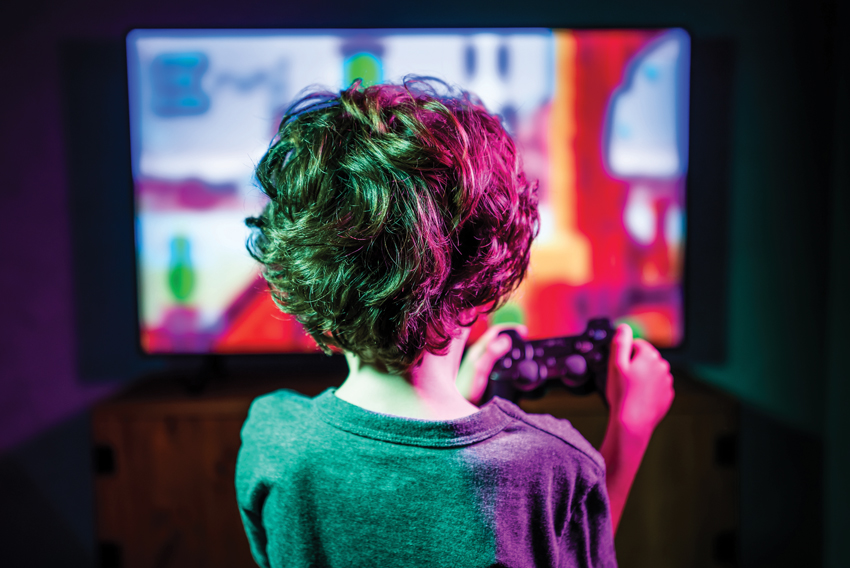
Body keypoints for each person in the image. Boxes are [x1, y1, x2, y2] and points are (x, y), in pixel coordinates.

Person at [235, 78, 674, 568]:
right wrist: (630, 432)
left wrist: (463, 397)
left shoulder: (273, 438)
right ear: (486, 278)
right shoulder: (554, 467)